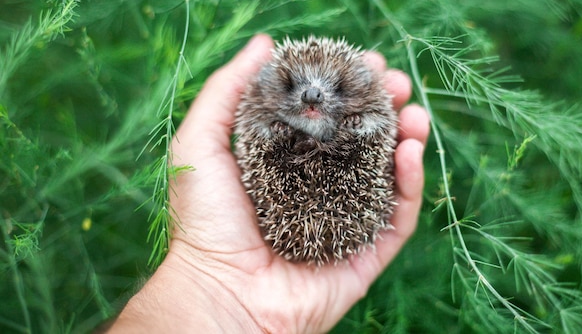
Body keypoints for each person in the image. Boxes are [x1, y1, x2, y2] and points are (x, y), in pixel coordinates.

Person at [108, 34, 430, 333]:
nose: (313, 94)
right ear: (270, 86)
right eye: (293, 87)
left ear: (359, 86)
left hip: (344, 200)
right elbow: (257, 132)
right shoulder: (260, 108)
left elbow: (378, 127)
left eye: (339, 90)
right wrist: (206, 274)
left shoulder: (370, 105)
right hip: (285, 197)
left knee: (357, 144)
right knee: (277, 147)